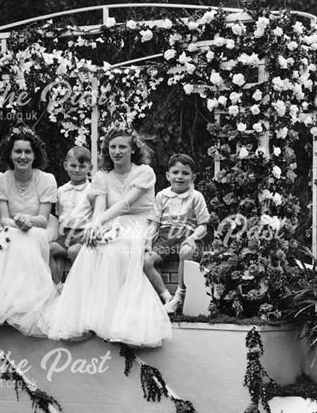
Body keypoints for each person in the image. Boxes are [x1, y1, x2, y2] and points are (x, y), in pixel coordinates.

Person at [46, 128, 171, 348]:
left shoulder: (144, 172)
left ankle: (118, 319)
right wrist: (95, 228)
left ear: (133, 149)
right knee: (90, 248)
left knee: (118, 248)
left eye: (122, 146)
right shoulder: (103, 176)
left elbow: (125, 205)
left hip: (139, 223)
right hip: (111, 221)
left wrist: (98, 223)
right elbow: (100, 207)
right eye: (112, 147)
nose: (117, 151)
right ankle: (87, 316)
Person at [0, 128, 59, 344]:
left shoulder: (47, 179)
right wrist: (18, 223)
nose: (23, 157)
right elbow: (3, 218)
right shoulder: (1, 180)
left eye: (27, 152)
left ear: (35, 155)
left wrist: (28, 222)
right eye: (18, 152)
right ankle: (6, 301)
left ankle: (29, 303)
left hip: (40, 227)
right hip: (9, 225)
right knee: (11, 237)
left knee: (30, 237)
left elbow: (43, 219)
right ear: (10, 154)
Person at [143, 154, 210, 314]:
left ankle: (180, 294)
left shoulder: (196, 197)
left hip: (188, 236)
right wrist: (148, 241)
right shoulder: (162, 196)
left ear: (192, 177)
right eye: (175, 172)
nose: (180, 177)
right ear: (168, 175)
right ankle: (167, 297)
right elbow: (154, 223)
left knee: (186, 252)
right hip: (166, 237)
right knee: (146, 260)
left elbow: (203, 226)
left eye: (185, 173)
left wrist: (192, 238)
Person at [48, 146, 94, 271]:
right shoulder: (61, 191)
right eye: (73, 166)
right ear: (65, 165)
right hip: (65, 235)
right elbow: (59, 215)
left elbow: (97, 216)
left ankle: (77, 286)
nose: (77, 170)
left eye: (82, 166)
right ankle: (57, 286)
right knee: (46, 249)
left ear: (90, 168)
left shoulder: (92, 190)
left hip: (83, 235)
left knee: (74, 251)